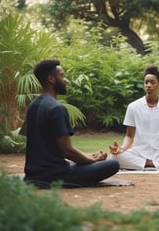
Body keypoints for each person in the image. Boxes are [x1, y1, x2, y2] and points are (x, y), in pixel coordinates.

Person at [24, 59, 120, 188]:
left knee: (84, 162)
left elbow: (57, 150)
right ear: (51, 79)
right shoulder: (57, 108)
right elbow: (68, 152)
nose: (66, 80)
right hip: (55, 174)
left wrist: (89, 156)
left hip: (33, 174)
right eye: (62, 76)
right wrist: (92, 160)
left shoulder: (32, 105)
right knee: (113, 165)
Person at [109, 65, 159, 170]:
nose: (148, 85)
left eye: (152, 82)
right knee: (114, 157)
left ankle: (145, 164)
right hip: (138, 153)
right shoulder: (133, 107)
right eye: (146, 82)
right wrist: (121, 149)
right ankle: (151, 163)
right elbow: (129, 136)